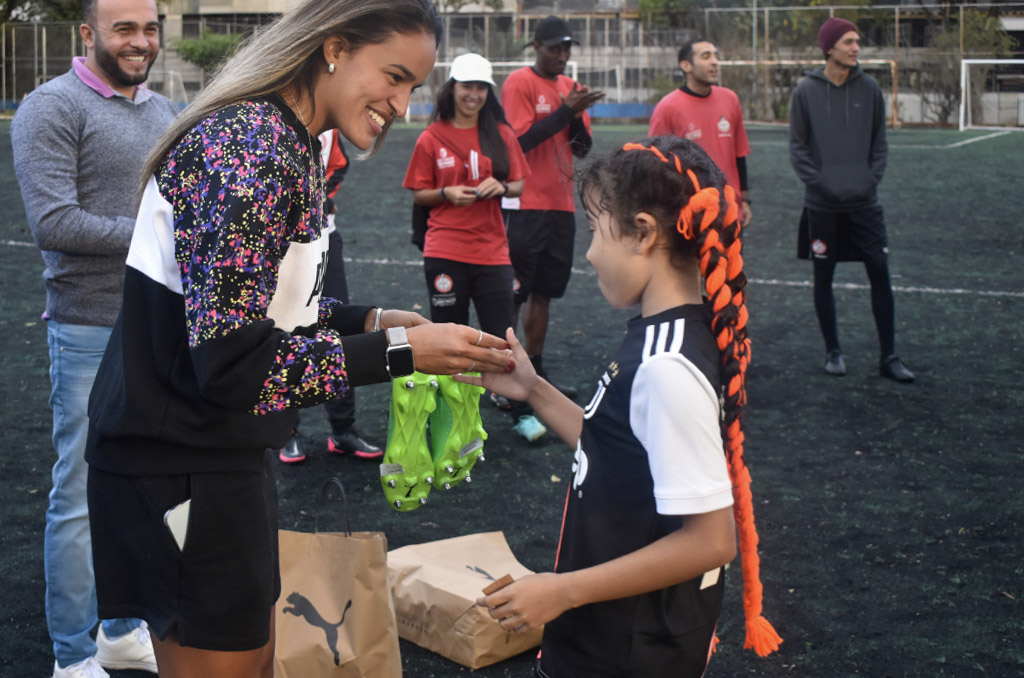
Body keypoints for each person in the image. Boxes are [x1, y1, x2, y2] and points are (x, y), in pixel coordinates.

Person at [82, 1, 513, 676]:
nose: (401, 104)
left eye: (412, 87)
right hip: (173, 458)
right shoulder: (250, 146)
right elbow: (231, 364)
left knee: (252, 658)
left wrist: (373, 321)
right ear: (334, 47)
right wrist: (401, 355)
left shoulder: (289, 139)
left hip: (221, 447)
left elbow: (272, 308)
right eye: (394, 75)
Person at [470, 136, 781, 676]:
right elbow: (616, 448)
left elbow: (710, 540)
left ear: (643, 233)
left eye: (595, 230)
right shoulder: (667, 332)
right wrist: (534, 390)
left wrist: (563, 591)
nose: (588, 251)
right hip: (614, 632)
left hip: (627, 649)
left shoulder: (665, 367)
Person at [10, 0, 179, 675]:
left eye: (148, 29)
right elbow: (56, 223)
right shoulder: (50, 107)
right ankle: (73, 654)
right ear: (88, 34)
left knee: (145, 485)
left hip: (159, 325)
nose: (139, 42)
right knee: (79, 496)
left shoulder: (164, 112)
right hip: (87, 326)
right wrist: (161, 240)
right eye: (123, 29)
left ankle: (120, 628)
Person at [401, 53, 540, 436]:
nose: (473, 95)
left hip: (492, 252)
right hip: (445, 251)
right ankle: (450, 419)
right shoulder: (431, 137)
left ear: (487, 92)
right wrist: (446, 192)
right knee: (448, 338)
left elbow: (519, 184)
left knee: (503, 335)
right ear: (453, 88)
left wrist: (502, 186)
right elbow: (419, 194)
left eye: (480, 88)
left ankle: (520, 411)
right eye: (467, 86)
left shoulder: (501, 134)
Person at [789, 17, 914, 382]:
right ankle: (833, 352)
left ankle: (889, 357)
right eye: (848, 42)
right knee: (823, 276)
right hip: (822, 204)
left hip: (864, 202)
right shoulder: (805, 92)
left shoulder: (870, 88)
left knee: (880, 273)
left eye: (857, 42)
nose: (856, 48)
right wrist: (822, 184)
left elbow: (879, 144)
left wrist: (869, 180)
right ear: (829, 48)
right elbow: (798, 149)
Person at [499, 15, 604, 401]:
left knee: (544, 293)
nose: (562, 55)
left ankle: (535, 373)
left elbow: (581, 149)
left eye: (566, 49)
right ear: (537, 47)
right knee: (514, 293)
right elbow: (519, 143)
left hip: (560, 206)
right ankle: (502, 374)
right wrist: (564, 111)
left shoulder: (571, 88)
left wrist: (574, 113)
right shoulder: (519, 83)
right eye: (555, 48)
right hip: (524, 204)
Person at [279, 129, 383, 463]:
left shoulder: (331, 126)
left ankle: (342, 430)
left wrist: (322, 194)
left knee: (338, 327)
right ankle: (286, 431)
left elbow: (338, 163)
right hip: (282, 242)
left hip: (325, 235)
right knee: (285, 329)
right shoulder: (271, 117)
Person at [648, 38, 753, 227]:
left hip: (729, 211)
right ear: (686, 65)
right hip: (690, 216)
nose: (714, 61)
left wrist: (744, 200)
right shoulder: (667, 107)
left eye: (715, 56)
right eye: (706, 56)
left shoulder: (730, 99)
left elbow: (739, 155)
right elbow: (655, 165)